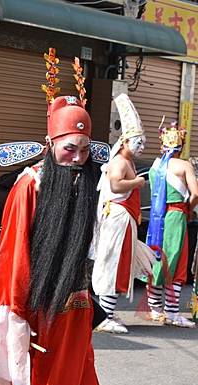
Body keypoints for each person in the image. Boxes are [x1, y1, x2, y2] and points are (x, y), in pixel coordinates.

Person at [0, 50, 103, 385]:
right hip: (36, 310)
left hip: (75, 310)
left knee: (74, 384)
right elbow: (13, 260)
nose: (78, 158)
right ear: (51, 144)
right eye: (71, 149)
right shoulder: (30, 185)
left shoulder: (85, 183)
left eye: (86, 150)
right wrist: (15, 321)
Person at [91, 94, 155, 334]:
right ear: (125, 141)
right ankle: (104, 316)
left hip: (124, 219)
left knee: (119, 265)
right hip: (117, 217)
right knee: (112, 263)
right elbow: (117, 185)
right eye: (137, 141)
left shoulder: (127, 161)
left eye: (143, 141)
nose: (141, 146)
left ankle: (107, 312)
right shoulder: (119, 162)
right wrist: (137, 183)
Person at [144, 122, 198, 328]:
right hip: (175, 215)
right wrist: (189, 208)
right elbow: (195, 194)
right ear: (181, 144)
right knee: (177, 261)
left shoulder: (155, 166)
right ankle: (173, 312)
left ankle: (155, 309)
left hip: (157, 217)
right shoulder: (184, 165)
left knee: (157, 259)